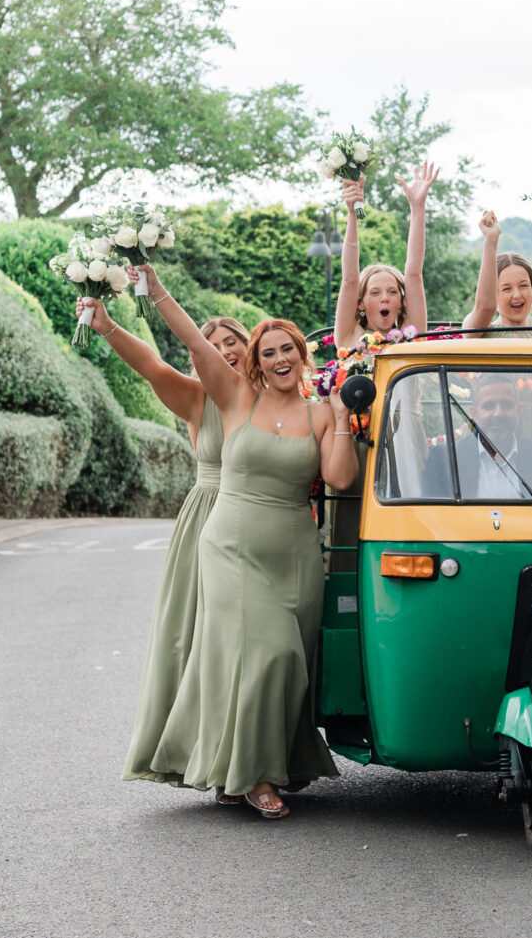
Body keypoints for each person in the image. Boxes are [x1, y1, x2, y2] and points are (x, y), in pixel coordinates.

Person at [140, 265, 358, 818]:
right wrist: (155, 286)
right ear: (256, 364)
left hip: (295, 553)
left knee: (288, 662)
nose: (280, 358)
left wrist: (343, 421)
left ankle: (239, 769)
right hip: (231, 544)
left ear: (301, 358)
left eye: (288, 349)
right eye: (269, 353)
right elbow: (190, 340)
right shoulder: (237, 399)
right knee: (267, 653)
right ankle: (256, 778)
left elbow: (339, 479)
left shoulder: (319, 414)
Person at [75, 294, 251, 787]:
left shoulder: (272, 394)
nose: (223, 351)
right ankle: (198, 753)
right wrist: (107, 325)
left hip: (262, 519)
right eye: (213, 345)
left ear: (249, 344)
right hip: (209, 519)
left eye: (232, 342)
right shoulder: (197, 397)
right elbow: (150, 364)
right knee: (195, 640)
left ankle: (251, 754)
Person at [331, 161, 438, 353]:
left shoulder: (410, 334)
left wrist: (418, 206)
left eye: (392, 292)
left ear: (402, 302)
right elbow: (350, 279)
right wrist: (352, 214)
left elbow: (414, 273)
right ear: (360, 303)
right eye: (374, 293)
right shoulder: (350, 336)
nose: (385, 298)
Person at [420, 373, 532, 499]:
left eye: (507, 405)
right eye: (489, 406)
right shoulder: (445, 459)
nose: (498, 413)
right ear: (473, 414)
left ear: (518, 410)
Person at [460, 211, 532, 340]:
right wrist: (491, 240)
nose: (517, 295)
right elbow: (485, 308)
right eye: (506, 288)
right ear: (493, 294)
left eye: (523, 285)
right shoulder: (477, 331)